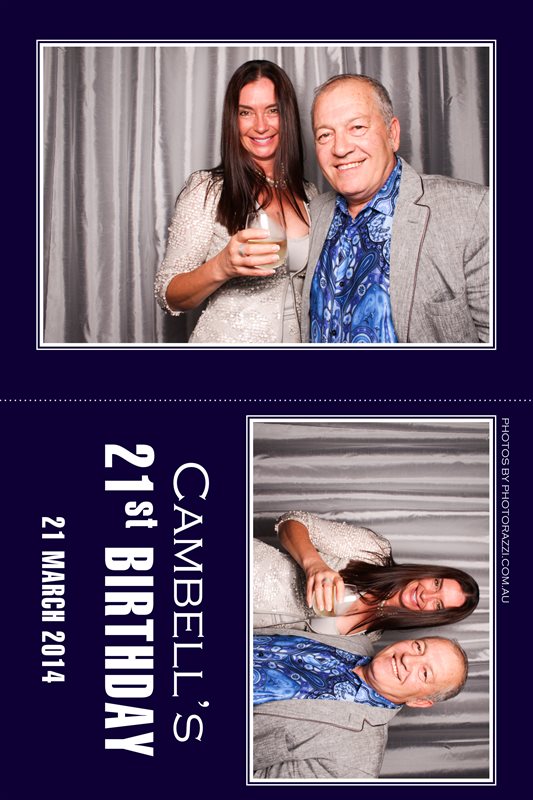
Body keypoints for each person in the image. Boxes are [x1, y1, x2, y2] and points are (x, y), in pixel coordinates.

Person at [301, 74, 489, 344]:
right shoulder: (316, 211)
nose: (340, 148)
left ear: (392, 134)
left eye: (357, 127)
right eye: (325, 135)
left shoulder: (472, 211)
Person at [154, 60, 317, 343]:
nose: (261, 126)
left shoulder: (309, 194)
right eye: (246, 112)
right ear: (233, 119)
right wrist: (221, 266)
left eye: (272, 110)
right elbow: (167, 294)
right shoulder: (207, 190)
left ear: (287, 115)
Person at [253, 629, 468, 778]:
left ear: (419, 701)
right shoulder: (356, 639)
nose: (408, 659)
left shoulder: (354, 766)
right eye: (418, 647)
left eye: (424, 673)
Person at [253, 511, 479, 637]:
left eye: (438, 604)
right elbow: (292, 521)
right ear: (429, 574)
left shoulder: (370, 637)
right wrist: (314, 564)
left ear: (434, 616)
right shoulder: (374, 551)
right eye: (436, 584)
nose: (426, 595)